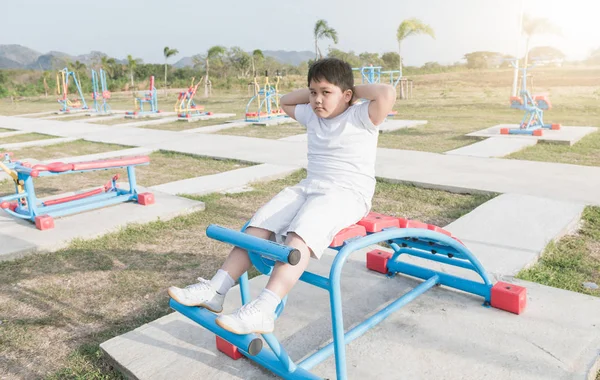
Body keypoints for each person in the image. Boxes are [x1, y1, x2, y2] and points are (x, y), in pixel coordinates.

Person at [168, 58, 396, 335]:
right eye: (313, 92)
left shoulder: (361, 115)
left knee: (300, 234)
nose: (317, 100)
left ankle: (265, 309)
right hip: (310, 186)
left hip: (348, 192)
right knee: (259, 224)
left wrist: (348, 91)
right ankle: (216, 289)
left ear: (347, 95)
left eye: (326, 93)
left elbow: (386, 93)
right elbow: (286, 101)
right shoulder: (313, 114)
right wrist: (325, 91)